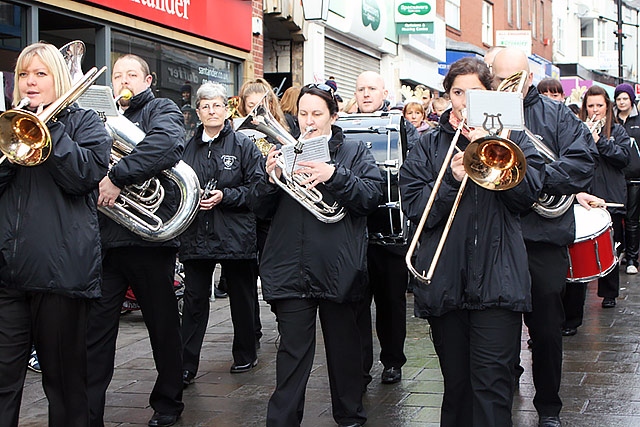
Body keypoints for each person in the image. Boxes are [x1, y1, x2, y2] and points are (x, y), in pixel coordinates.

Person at [399, 56, 545, 427]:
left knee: (494, 387)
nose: (464, 101)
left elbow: (527, 198)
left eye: (474, 93)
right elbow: (417, 210)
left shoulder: (513, 136)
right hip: (445, 282)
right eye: (458, 92)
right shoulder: (428, 145)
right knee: (458, 387)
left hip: (499, 282)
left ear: (490, 95)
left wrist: (492, 146)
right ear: (448, 96)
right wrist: (450, 179)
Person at [250, 83, 383, 427]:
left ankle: (349, 415)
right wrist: (270, 179)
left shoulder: (353, 151)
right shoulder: (283, 151)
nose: (309, 121)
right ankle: (281, 421)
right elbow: (258, 209)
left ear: (333, 116)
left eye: (317, 114)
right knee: (292, 352)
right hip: (290, 266)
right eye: (303, 114)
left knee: (344, 350)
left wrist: (333, 175)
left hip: (338, 267)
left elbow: (370, 197)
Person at [0, 42, 111, 427]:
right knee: (3, 381)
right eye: (24, 74)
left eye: (40, 74)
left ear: (58, 79)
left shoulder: (85, 123)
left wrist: (48, 131)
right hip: (7, 274)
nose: (30, 82)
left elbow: (84, 177)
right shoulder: (6, 123)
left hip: (60, 274)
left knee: (64, 384)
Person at [491, 47, 596, 427]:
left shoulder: (555, 116)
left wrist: (530, 180)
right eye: (500, 79)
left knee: (547, 329)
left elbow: (583, 161)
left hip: (544, 236)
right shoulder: (482, 112)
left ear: (529, 77)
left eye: (515, 79)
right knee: (495, 325)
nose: (508, 86)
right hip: (497, 235)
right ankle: (502, 390)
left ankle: (548, 406)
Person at [87, 54, 186, 427]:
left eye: (131, 74)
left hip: (148, 242)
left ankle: (167, 404)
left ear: (147, 80)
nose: (124, 80)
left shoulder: (161, 108)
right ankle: (88, 410)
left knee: (162, 327)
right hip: (105, 241)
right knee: (95, 334)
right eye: (117, 75)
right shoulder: (97, 114)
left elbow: (167, 144)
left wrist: (118, 176)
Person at [179, 82, 264, 387]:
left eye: (217, 105)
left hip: (235, 235)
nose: (211, 111)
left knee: (241, 298)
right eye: (205, 106)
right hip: (196, 236)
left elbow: (258, 190)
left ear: (226, 110)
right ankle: (185, 365)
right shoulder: (186, 148)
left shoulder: (244, 146)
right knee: (194, 301)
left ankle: (245, 352)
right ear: (198, 111)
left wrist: (224, 196)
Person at [353, 70, 419, 387]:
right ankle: (360, 365)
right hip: (354, 232)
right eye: (361, 89)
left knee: (392, 303)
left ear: (384, 92)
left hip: (392, 232)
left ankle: (392, 361)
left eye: (372, 89)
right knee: (355, 304)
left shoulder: (402, 126)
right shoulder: (343, 126)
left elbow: (417, 166)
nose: (366, 94)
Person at [580, 85, 630, 308]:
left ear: (607, 107)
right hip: (586, 194)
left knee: (611, 246)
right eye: (591, 106)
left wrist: (600, 141)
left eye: (599, 105)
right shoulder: (577, 129)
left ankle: (609, 293)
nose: (595, 110)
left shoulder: (617, 131)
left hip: (610, 195)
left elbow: (623, 158)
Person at [614, 83, 640, 274]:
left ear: (631, 100)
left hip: (635, 177)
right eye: (619, 98)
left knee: (632, 219)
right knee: (616, 218)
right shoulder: (611, 121)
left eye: (625, 98)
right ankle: (619, 252)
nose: (622, 102)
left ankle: (632, 258)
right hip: (615, 177)